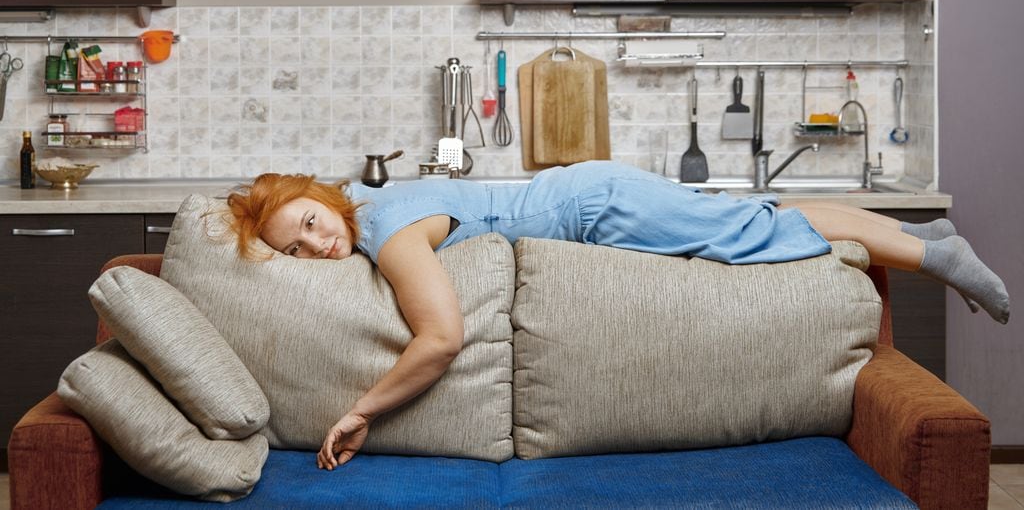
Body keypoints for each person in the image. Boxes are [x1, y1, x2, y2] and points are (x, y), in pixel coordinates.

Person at [226, 160, 1009, 471]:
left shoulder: (389, 230)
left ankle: (938, 257)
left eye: (307, 224)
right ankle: (919, 238)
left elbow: (440, 339)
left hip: (598, 210)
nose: (317, 248)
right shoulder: (373, 211)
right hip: (591, 194)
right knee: (757, 217)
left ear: (315, 195)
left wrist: (360, 409)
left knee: (753, 235)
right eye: (296, 252)